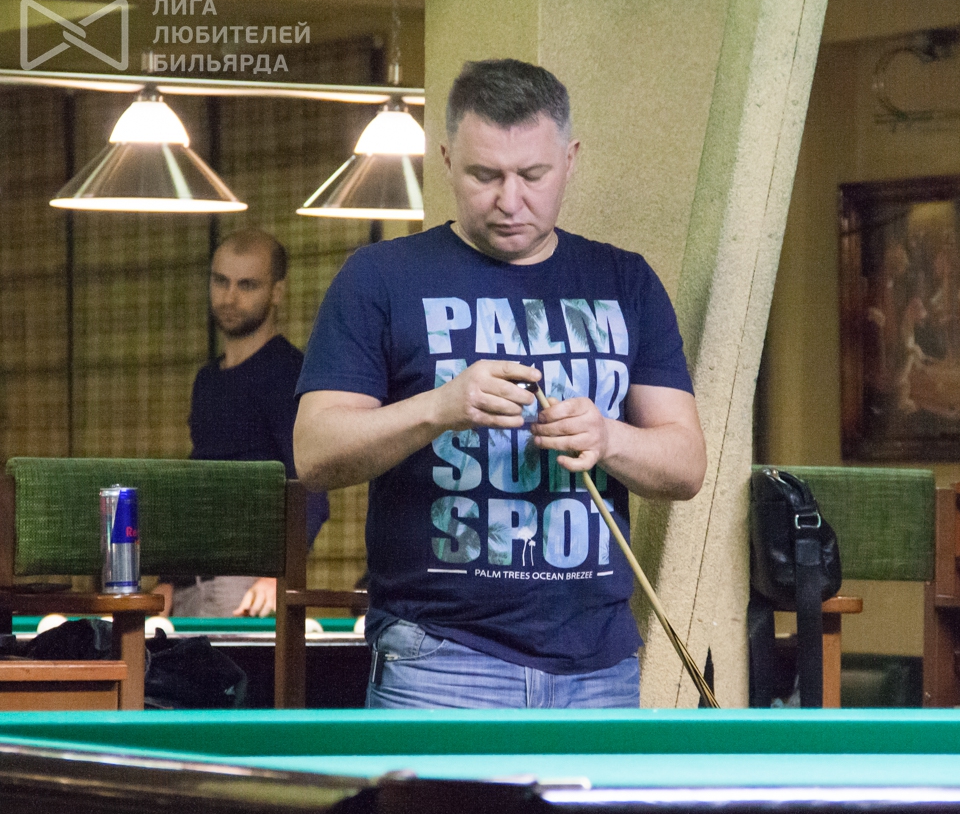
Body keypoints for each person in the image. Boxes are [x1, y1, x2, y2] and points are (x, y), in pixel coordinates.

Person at [294, 59, 706, 709]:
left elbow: (685, 465)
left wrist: (607, 437)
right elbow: (315, 453)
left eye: (532, 176)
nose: (509, 201)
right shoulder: (380, 278)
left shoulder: (624, 281)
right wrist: (439, 407)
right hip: (438, 658)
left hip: (598, 664)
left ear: (569, 160)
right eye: (484, 175)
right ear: (446, 160)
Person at [156, 228, 328, 618]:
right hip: (188, 584)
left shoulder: (290, 375)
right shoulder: (207, 379)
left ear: (277, 292)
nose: (229, 297)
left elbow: (310, 484)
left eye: (247, 285)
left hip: (248, 584)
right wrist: (168, 578)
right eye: (221, 281)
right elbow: (199, 483)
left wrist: (278, 576)